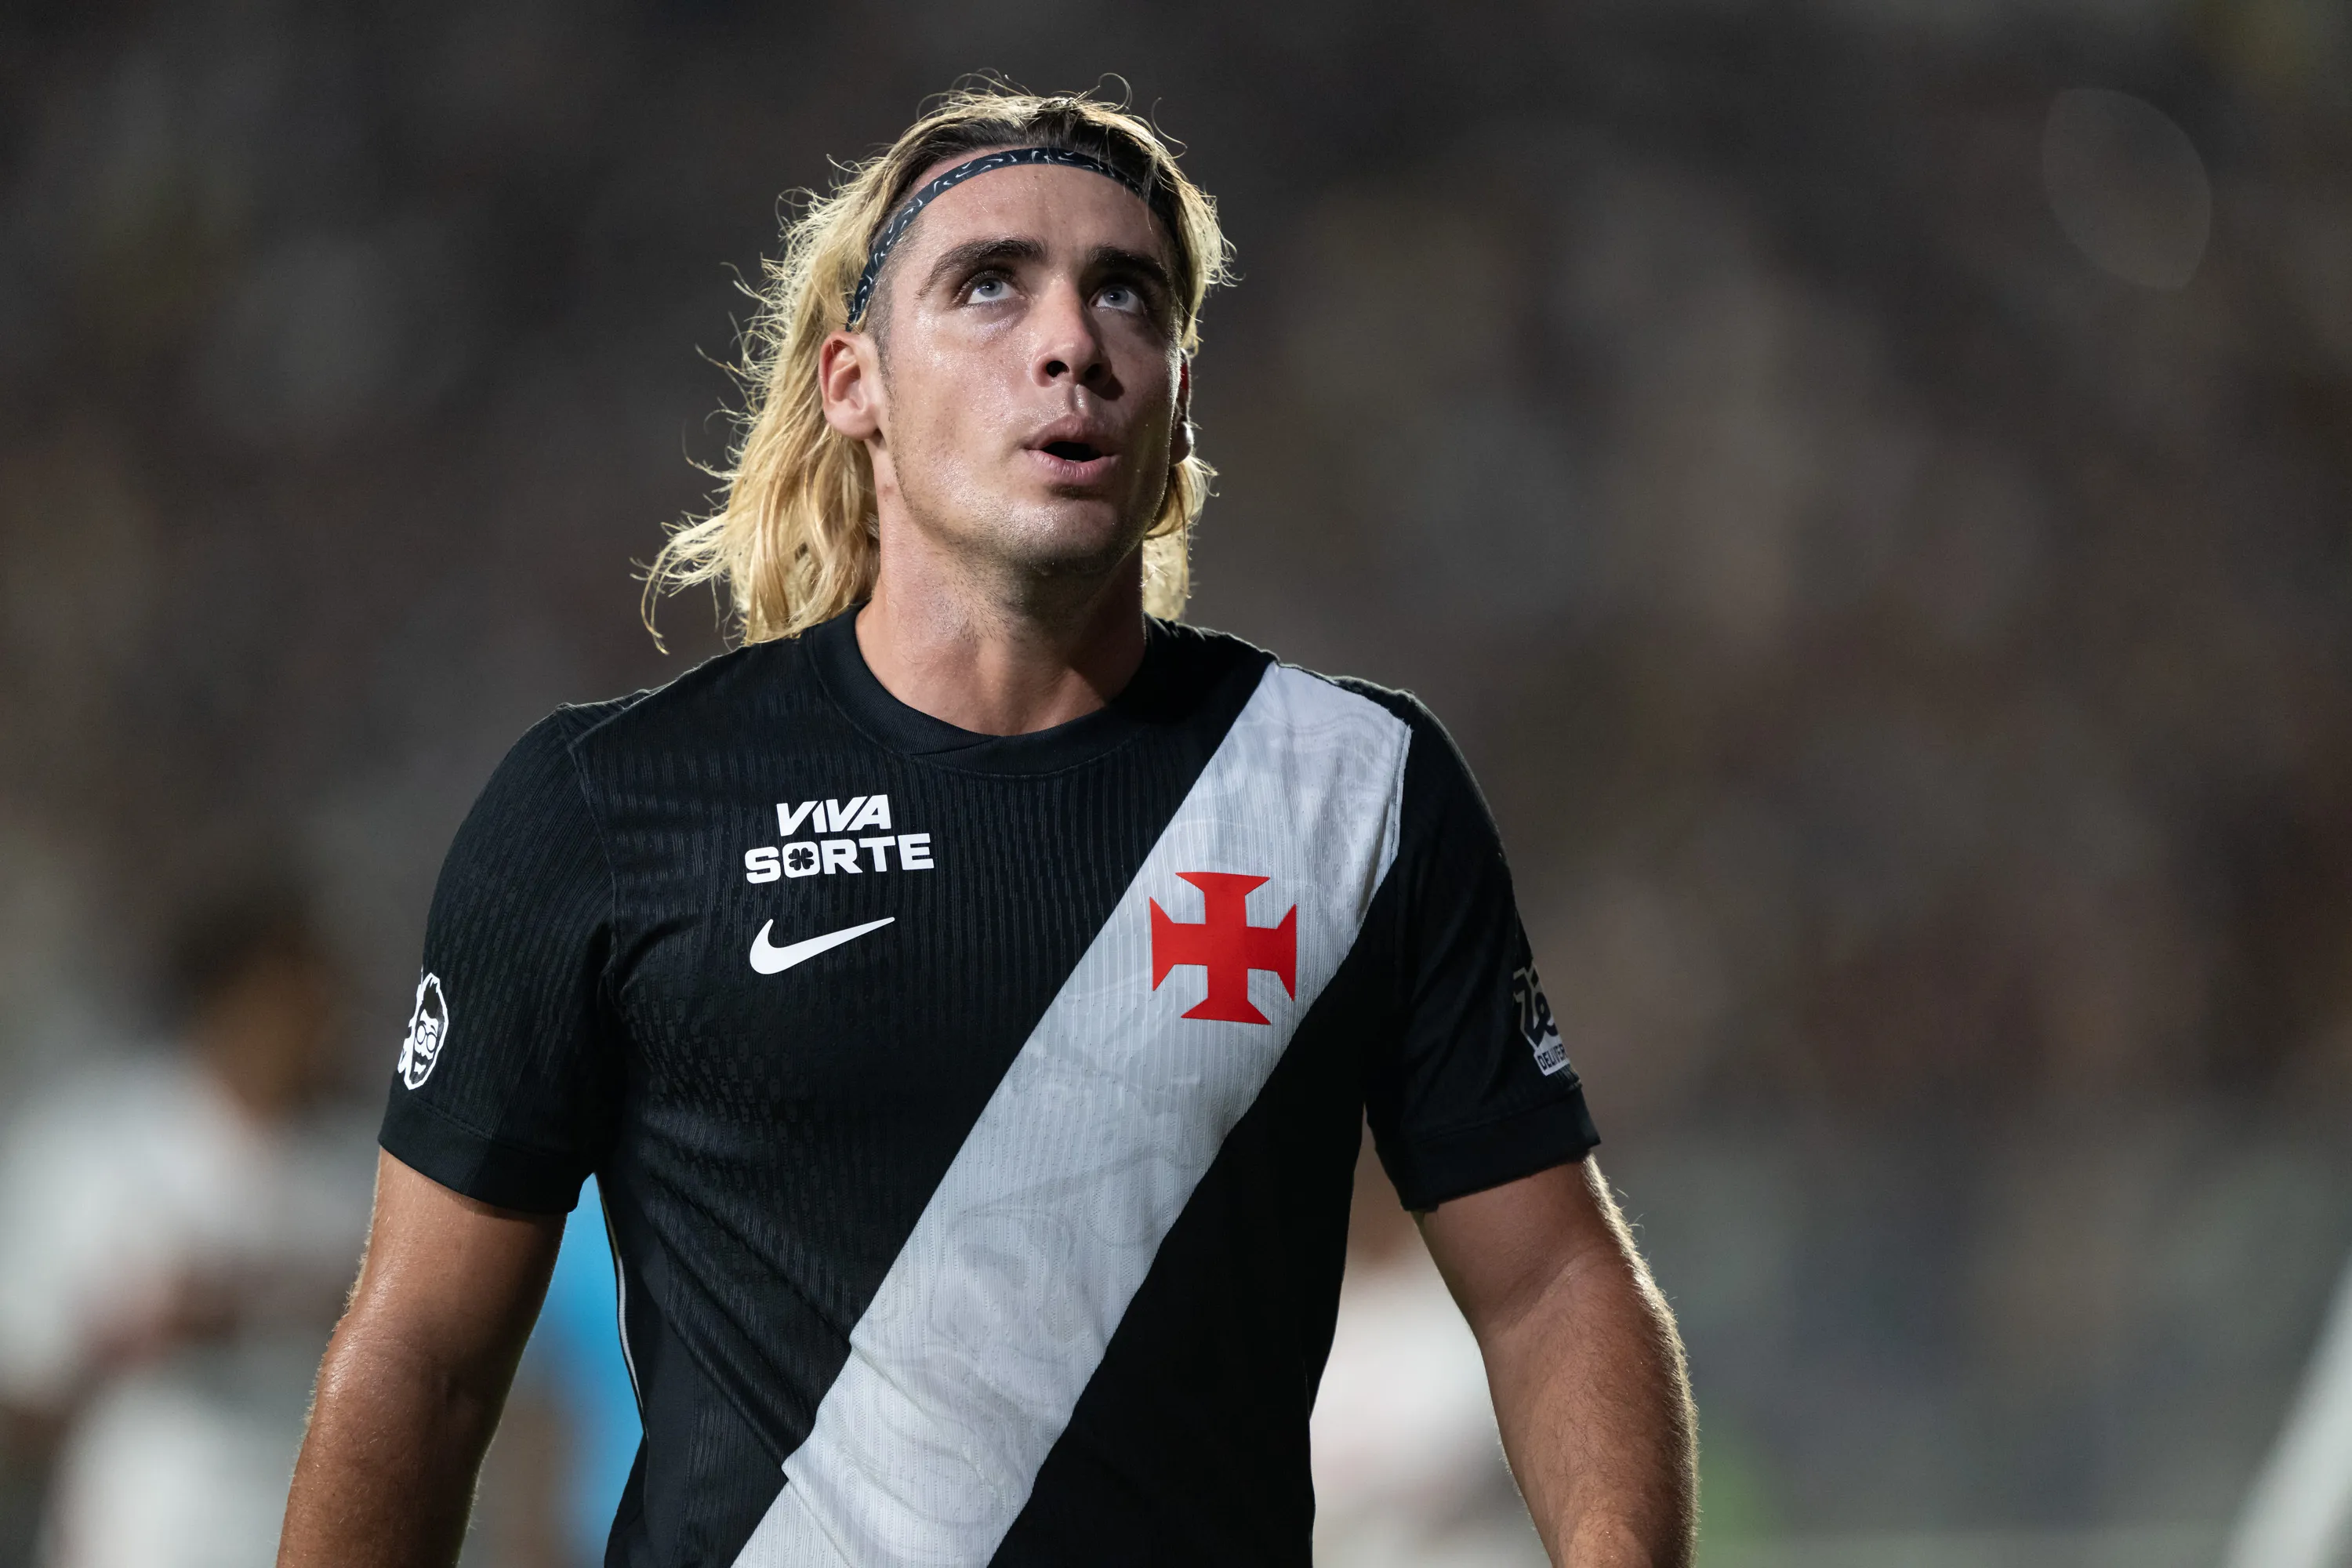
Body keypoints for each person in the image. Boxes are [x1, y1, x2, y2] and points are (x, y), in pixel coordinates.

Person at [278, 85, 1697, 1568]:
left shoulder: (1356, 790)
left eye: (1125, 294)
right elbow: (423, 1362)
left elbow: (1549, 1285)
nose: (1072, 341)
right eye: (989, 285)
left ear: (1179, 399)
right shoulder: (610, 805)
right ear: (855, 384)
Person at [0, 886, 371, 1568]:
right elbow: (25, 1392)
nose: (322, 1025)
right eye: (291, 999)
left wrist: (267, 1306)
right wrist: (117, 1345)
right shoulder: (94, 1146)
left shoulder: (359, 1170)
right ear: (225, 1003)